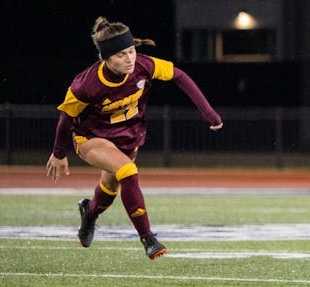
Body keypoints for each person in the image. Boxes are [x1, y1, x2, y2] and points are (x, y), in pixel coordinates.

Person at [45, 17, 223, 259]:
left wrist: (209, 113)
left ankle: (89, 213)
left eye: (131, 51)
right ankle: (148, 238)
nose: (129, 59)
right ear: (106, 58)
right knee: (128, 171)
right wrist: (58, 153)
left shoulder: (143, 65)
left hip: (128, 138)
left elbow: (179, 76)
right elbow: (66, 117)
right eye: (121, 55)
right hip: (92, 138)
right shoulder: (86, 85)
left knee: (109, 191)